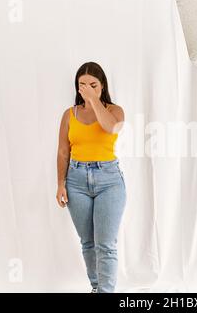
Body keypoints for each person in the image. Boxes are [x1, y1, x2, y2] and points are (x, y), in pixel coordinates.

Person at [56, 62, 126, 293]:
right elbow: (63, 151)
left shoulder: (115, 111)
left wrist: (93, 100)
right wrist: (60, 184)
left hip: (109, 181)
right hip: (76, 181)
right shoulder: (69, 114)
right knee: (88, 243)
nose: (85, 89)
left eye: (92, 85)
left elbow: (110, 128)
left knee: (105, 245)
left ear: (102, 85)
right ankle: (96, 288)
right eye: (81, 85)